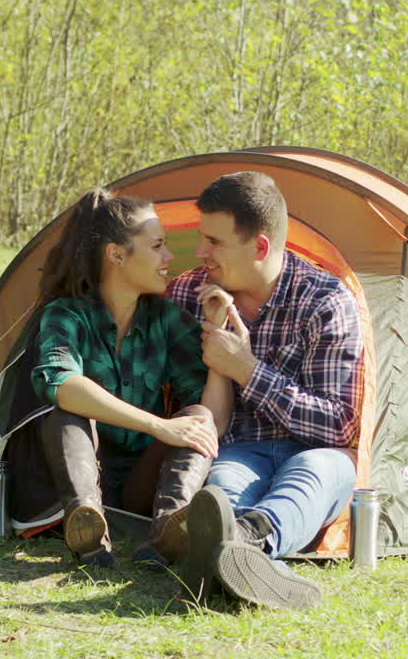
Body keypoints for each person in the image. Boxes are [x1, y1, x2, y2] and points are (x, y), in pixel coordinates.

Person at [166, 171, 364, 609]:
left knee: (314, 475)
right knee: (221, 487)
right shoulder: (187, 294)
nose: (200, 253)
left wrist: (248, 371)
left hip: (318, 452)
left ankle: (239, 551)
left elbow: (338, 425)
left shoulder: (324, 300)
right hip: (240, 449)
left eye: (214, 242)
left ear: (259, 247)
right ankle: (243, 560)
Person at [32, 188, 232, 568]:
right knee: (64, 413)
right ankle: (88, 529)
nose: (169, 257)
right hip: (81, 474)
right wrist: (158, 425)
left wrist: (217, 339)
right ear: (117, 254)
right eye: (157, 246)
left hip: (145, 481)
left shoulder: (167, 319)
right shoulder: (66, 315)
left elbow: (209, 416)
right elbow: (59, 382)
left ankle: (167, 536)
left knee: (197, 418)